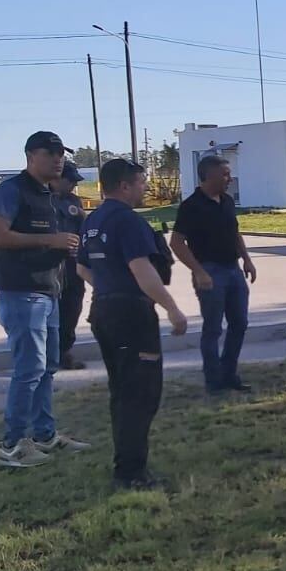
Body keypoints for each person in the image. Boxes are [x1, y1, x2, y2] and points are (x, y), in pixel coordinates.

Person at [77, 159, 189, 489]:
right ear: (124, 186)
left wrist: (109, 285)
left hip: (104, 312)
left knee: (122, 390)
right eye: (141, 183)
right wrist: (172, 309)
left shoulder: (93, 220)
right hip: (132, 315)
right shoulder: (128, 221)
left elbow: (82, 269)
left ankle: (127, 461)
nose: (145, 189)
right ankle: (130, 472)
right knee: (140, 393)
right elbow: (143, 270)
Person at [0, 132, 91, 466]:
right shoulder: (12, 190)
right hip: (22, 291)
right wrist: (52, 239)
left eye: (62, 153)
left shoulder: (49, 193)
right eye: (52, 153)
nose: (59, 159)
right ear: (31, 154)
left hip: (50, 291)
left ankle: (44, 435)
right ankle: (12, 445)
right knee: (29, 368)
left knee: (47, 367)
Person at [170, 155, 258, 394]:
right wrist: (198, 271)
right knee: (213, 328)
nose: (230, 178)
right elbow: (176, 242)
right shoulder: (191, 206)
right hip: (210, 271)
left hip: (233, 270)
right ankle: (214, 381)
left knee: (239, 323)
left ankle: (229, 374)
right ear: (209, 176)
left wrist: (247, 260)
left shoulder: (227, 201)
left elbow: (235, 232)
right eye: (225, 174)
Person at [53, 161, 88, 370]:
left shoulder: (74, 201)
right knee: (52, 311)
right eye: (70, 181)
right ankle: (51, 354)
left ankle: (65, 351)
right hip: (51, 265)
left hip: (73, 264)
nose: (74, 185)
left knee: (72, 308)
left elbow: (84, 229)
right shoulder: (42, 200)